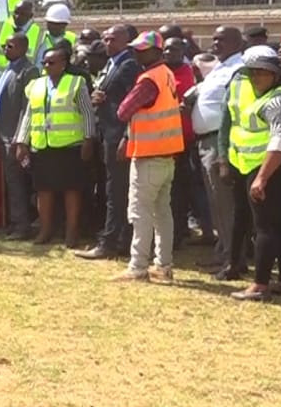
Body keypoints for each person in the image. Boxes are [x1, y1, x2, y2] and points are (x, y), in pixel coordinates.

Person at [224, 49, 281, 300]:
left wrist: (262, 177)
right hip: (276, 168)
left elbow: (280, 141)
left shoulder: (279, 101)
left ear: (276, 74)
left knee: (265, 228)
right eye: (254, 72)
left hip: (274, 169)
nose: (257, 77)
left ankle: (260, 285)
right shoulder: (272, 97)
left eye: (264, 73)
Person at [111, 32, 186, 283]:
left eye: (143, 49)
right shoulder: (167, 74)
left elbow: (123, 111)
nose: (138, 53)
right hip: (166, 156)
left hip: (149, 156)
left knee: (141, 213)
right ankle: (163, 265)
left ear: (157, 51)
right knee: (162, 213)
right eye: (136, 49)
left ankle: (138, 266)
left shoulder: (149, 79)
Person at [14, 42, 95, 247]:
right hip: (42, 146)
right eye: (44, 62)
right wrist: (22, 141)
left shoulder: (76, 83)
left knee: (71, 190)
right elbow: (29, 114)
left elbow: (87, 113)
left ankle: (71, 232)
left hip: (70, 146)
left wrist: (88, 139)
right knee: (44, 190)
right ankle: (45, 230)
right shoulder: (36, 85)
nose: (47, 66)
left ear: (63, 64)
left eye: (51, 62)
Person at [77, 26, 141, 261]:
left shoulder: (129, 65)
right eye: (105, 38)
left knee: (117, 191)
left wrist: (126, 136)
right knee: (113, 189)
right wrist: (97, 97)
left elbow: (133, 104)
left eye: (112, 38)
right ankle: (118, 239)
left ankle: (111, 242)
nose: (107, 42)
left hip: (118, 137)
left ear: (127, 41)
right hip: (107, 133)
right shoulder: (111, 63)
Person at [188, 28, 248, 278]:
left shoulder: (240, 68)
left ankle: (234, 259)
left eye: (221, 39)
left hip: (219, 143)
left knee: (226, 204)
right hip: (204, 142)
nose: (215, 43)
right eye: (213, 38)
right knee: (217, 204)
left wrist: (224, 152)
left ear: (237, 42)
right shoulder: (220, 68)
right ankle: (224, 253)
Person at [0, 32, 38, 239]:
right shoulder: (8, 69)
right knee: (11, 181)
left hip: (16, 136)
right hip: (3, 131)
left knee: (19, 182)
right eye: (4, 45)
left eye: (10, 46)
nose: (5, 49)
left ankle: (23, 226)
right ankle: (15, 222)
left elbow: (26, 108)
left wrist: (20, 138)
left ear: (22, 47)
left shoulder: (29, 71)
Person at [164, 37, 205, 249]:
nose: (169, 52)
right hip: (165, 140)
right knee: (169, 190)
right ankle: (172, 232)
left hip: (187, 140)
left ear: (184, 51)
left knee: (182, 189)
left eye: (174, 48)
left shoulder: (192, 73)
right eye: (166, 48)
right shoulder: (161, 73)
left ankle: (181, 231)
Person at [0, 0, 37, 79]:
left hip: (22, 81)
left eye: (23, 14)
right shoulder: (1, 26)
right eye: (16, 12)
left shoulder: (39, 34)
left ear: (31, 16)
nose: (18, 16)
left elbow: (38, 64)